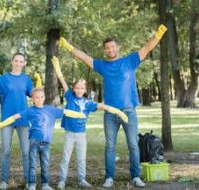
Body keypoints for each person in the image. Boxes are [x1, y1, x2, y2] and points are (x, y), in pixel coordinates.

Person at [58, 24, 167, 187]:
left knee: (132, 145)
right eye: (107, 48)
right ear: (105, 50)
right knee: (110, 146)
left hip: (128, 111)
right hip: (110, 113)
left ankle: (136, 176)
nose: (110, 50)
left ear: (117, 48)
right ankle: (109, 177)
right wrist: (68, 47)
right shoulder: (102, 65)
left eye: (113, 47)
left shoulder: (129, 61)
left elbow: (146, 48)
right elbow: (84, 57)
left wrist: (158, 35)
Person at [49, 57, 127, 189]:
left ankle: (82, 180)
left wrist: (118, 112)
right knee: (65, 158)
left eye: (82, 88)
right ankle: (62, 180)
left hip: (81, 135)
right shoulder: (69, 96)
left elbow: (102, 106)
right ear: (73, 89)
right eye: (77, 88)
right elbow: (63, 82)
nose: (79, 90)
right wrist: (58, 70)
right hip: (69, 134)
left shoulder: (87, 103)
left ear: (85, 90)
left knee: (81, 159)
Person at [0, 88, 86, 190]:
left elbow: (66, 112)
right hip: (34, 142)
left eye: (41, 97)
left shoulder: (51, 110)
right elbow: (15, 117)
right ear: (32, 99)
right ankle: (32, 184)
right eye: (36, 97)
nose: (39, 99)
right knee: (33, 165)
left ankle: (45, 184)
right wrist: (2, 124)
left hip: (46, 143)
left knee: (45, 165)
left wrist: (79, 114)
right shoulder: (30, 111)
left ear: (44, 97)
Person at [0, 53, 34, 190]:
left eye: (21, 61)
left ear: (24, 63)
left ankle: (29, 181)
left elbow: (35, 96)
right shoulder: (4, 78)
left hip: (23, 118)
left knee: (25, 151)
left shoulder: (26, 79)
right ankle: (4, 181)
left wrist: (39, 85)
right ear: (12, 62)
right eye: (16, 61)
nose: (18, 64)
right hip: (7, 120)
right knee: (6, 150)